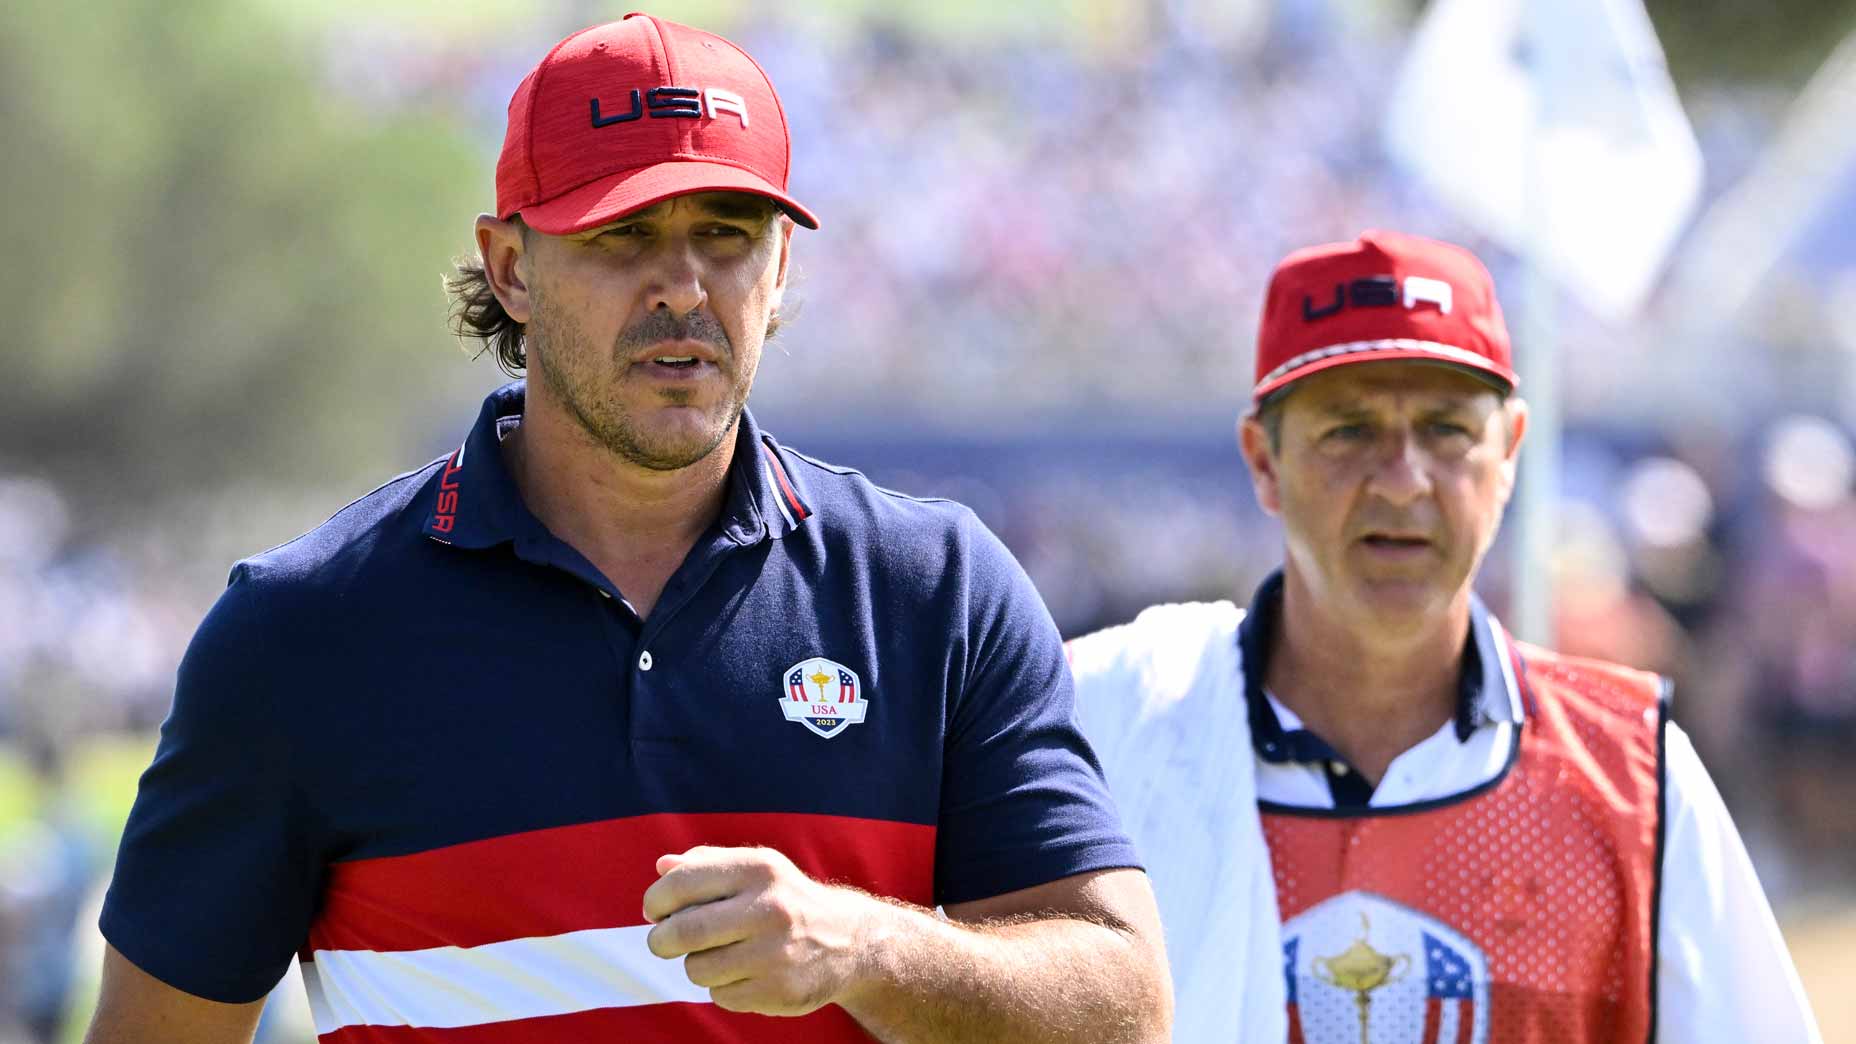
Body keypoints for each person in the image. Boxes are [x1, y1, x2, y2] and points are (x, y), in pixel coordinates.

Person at [84, 14, 1170, 1044]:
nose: (682, 286)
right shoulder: (299, 632)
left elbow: (1127, 1012)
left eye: (726, 234)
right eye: (624, 233)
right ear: (511, 268)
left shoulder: (936, 590)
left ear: (779, 269)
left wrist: (866, 949)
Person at [1066, 231, 1821, 1042]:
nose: (1403, 480)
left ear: (1510, 453)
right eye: (1348, 430)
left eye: (1447, 429)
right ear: (1264, 461)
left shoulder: (1635, 776)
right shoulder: (1106, 735)